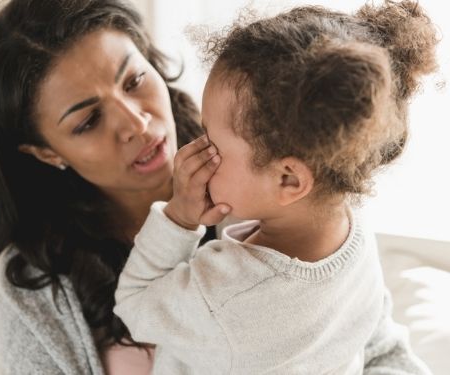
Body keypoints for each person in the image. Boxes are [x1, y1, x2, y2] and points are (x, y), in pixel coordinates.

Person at [0, 0, 434, 374]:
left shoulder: (274, 169)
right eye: (90, 119)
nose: (136, 121)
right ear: (45, 152)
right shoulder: (38, 289)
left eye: (134, 79)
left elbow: (378, 348)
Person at [114, 1, 438, 374]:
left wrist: (179, 218)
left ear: (288, 180)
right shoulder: (353, 234)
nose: (194, 150)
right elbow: (372, 334)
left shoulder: (224, 296)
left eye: (211, 141)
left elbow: (135, 304)